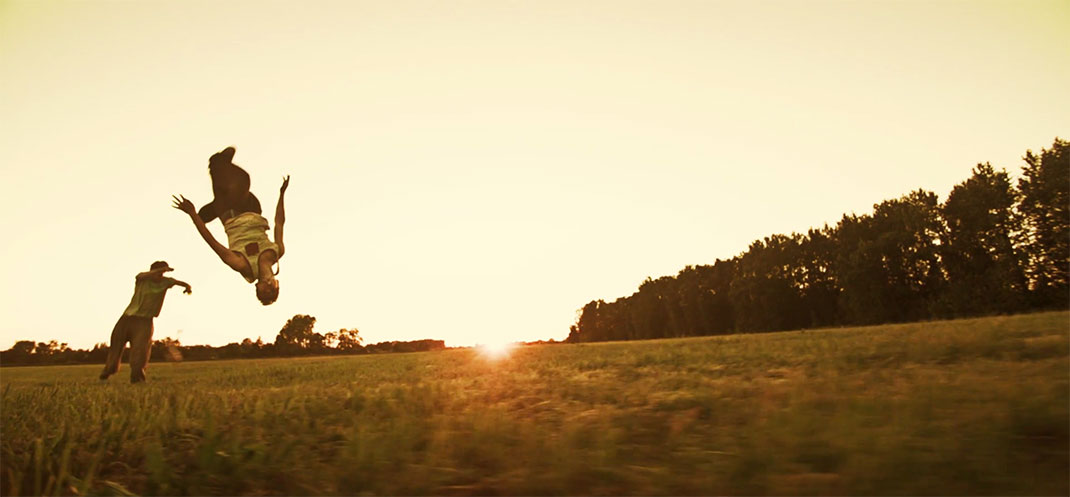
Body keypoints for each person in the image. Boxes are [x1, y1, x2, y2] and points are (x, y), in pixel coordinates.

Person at [172, 147, 289, 305]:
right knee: (229, 186)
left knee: (240, 181)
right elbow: (279, 223)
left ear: (259, 285)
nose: (266, 281)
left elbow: (212, 242)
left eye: (262, 285)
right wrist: (282, 194)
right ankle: (216, 171)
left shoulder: (242, 264)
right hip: (254, 209)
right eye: (270, 284)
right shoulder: (277, 252)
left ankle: (216, 165)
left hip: (230, 213)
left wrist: (193, 214)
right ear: (275, 284)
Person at [100, 261, 192, 383]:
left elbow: (180, 283)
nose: (160, 275)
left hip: (145, 322)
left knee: (140, 351)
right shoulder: (142, 280)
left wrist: (187, 287)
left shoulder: (166, 282)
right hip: (126, 318)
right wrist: (158, 270)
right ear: (151, 272)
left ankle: (137, 378)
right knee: (116, 348)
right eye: (159, 272)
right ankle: (108, 371)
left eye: (163, 273)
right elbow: (139, 276)